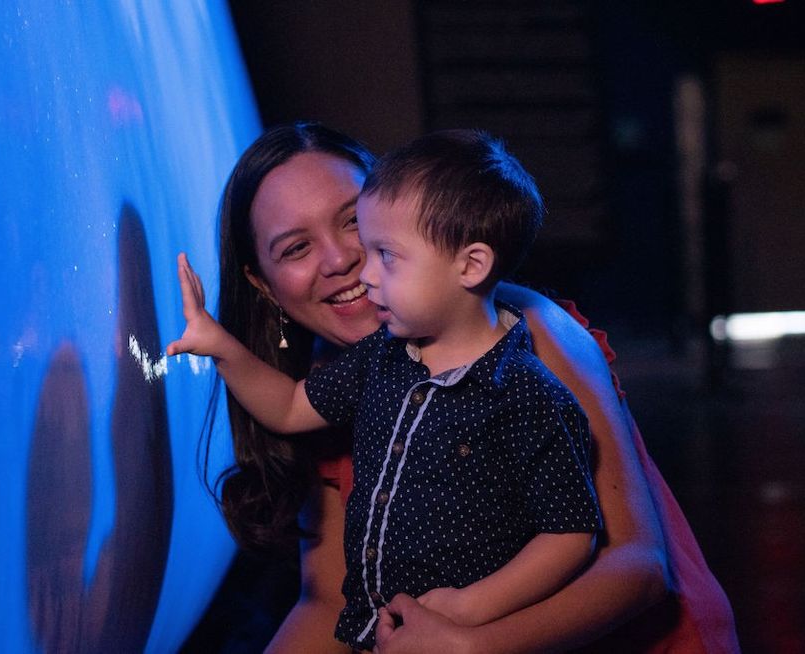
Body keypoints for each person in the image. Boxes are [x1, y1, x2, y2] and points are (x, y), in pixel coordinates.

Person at [191, 122, 738, 652]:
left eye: (354, 220)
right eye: (295, 248)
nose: (343, 260)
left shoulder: (528, 331)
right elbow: (328, 601)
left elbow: (638, 568)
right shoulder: (341, 383)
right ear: (262, 286)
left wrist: (472, 642)